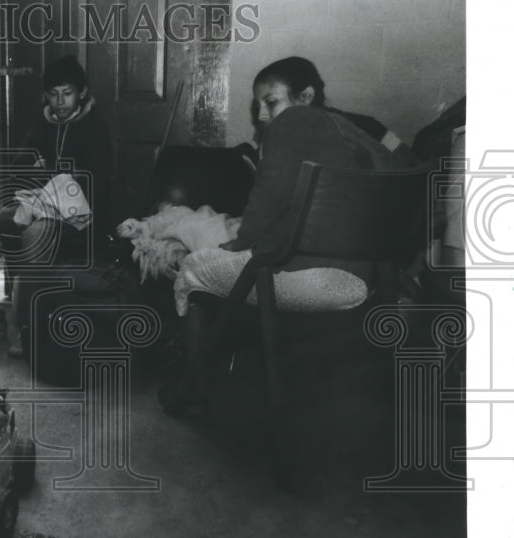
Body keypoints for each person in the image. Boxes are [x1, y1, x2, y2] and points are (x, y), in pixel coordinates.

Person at [159, 56, 404, 413]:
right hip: (366, 282)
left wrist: (238, 242)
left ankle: (194, 388)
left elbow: (266, 203)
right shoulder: (354, 128)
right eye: (257, 105)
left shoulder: (295, 121)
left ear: (305, 97)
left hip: (311, 281)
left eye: (270, 102)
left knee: (194, 267)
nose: (261, 116)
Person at [0, 55, 114, 353]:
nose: (60, 101)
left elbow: (94, 180)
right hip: (38, 205)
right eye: (53, 94)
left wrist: (51, 173)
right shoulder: (44, 123)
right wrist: (51, 174)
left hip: (77, 216)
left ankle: (21, 322)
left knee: (33, 235)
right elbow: (19, 168)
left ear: (81, 93)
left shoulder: (96, 125)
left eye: (67, 93)